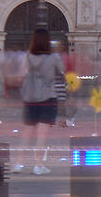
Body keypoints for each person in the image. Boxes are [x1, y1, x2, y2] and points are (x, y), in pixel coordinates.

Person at [18, 27, 65, 171]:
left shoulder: (27, 57)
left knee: (27, 132)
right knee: (42, 134)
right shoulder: (54, 58)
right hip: (48, 97)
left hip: (30, 98)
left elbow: (21, 75)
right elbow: (61, 74)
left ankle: (19, 163)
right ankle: (38, 165)